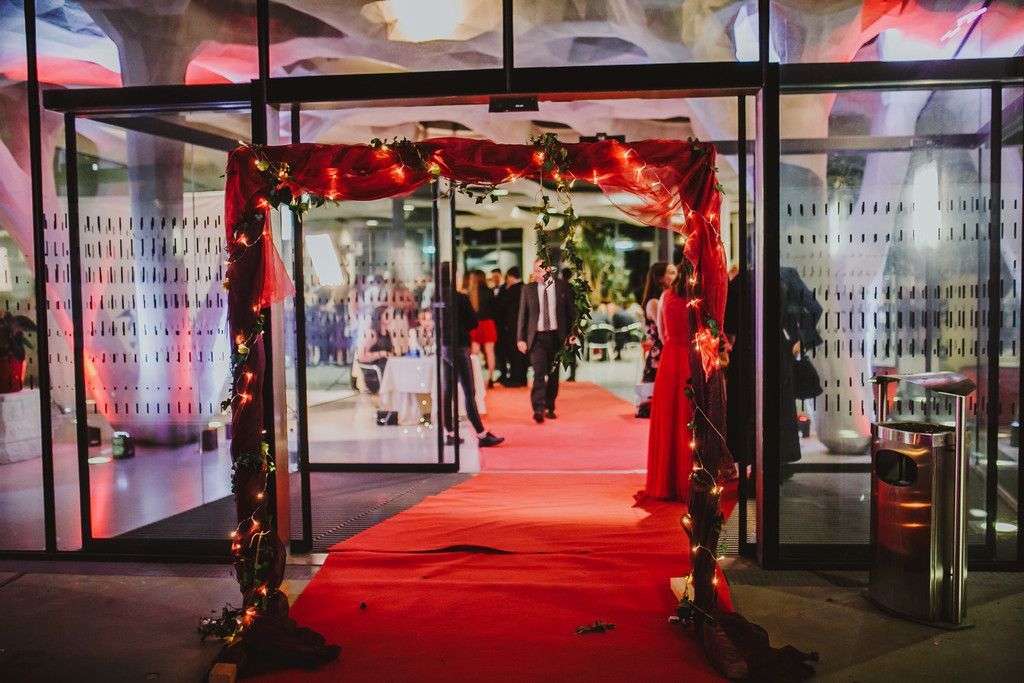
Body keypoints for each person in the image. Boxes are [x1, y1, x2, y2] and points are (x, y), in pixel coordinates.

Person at [637, 265, 694, 500]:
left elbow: (662, 334)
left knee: (668, 418)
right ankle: (688, 481)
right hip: (689, 358)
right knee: (687, 418)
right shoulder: (696, 298)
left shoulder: (665, 297)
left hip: (669, 359)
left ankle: (665, 482)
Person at [440, 264, 504, 448]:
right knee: (469, 391)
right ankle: (481, 434)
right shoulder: (459, 298)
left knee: (448, 391)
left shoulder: (438, 298)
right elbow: (473, 322)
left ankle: (449, 433)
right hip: (459, 346)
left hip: (445, 347)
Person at [517, 259, 578, 423]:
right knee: (538, 373)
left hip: (556, 337)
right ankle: (538, 408)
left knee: (553, 374)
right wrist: (520, 339)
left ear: (549, 269)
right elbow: (523, 315)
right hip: (536, 338)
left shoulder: (562, 287)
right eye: (535, 270)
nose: (536, 274)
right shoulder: (527, 289)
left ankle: (550, 406)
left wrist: (573, 334)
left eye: (539, 270)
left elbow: (571, 313)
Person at [779, 266, 823, 473]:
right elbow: (814, 308)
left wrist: (800, 338)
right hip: (780, 349)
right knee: (782, 405)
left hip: (781, 350)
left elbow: (814, 308)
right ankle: (780, 462)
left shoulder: (785, 275)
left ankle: (779, 463)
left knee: (782, 405)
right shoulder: (785, 275)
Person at [637, 261, 676, 417]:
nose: (676, 276)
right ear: (660, 278)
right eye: (671, 273)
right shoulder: (654, 302)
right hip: (659, 356)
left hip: (666, 353)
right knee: (656, 407)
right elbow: (664, 330)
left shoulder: (666, 299)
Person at [465, 270, 499, 387]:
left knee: (474, 352)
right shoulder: (489, 292)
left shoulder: (470, 294)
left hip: (475, 324)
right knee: (490, 352)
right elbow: (495, 309)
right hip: (488, 323)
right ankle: (491, 378)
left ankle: (474, 378)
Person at [496, 266, 527, 386]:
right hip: (523, 324)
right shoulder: (524, 287)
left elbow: (501, 305)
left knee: (514, 352)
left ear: (509, 276)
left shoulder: (512, 290)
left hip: (512, 326)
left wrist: (505, 288)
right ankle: (521, 377)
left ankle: (516, 378)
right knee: (521, 352)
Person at [355, 306, 393, 394]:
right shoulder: (372, 334)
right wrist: (381, 354)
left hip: (386, 368)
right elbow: (361, 357)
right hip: (374, 372)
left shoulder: (388, 333)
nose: (390, 317)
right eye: (387, 314)